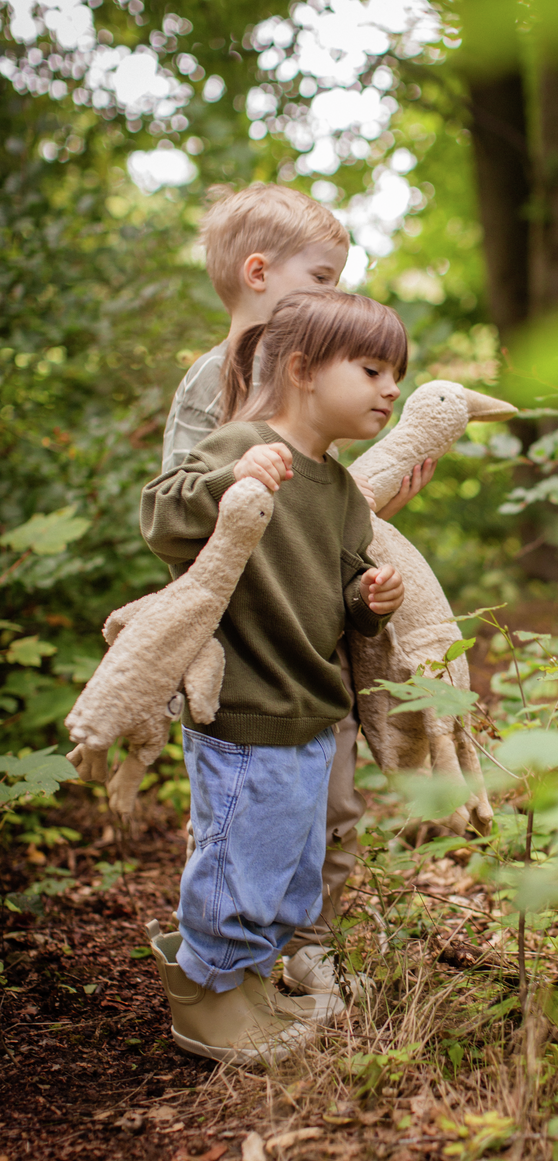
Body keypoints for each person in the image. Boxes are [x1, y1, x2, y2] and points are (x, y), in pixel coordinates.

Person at [161, 183, 434, 997]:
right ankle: (221, 964)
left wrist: (369, 544)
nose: (335, 294)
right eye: (322, 278)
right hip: (247, 645)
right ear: (258, 273)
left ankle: (307, 941)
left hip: (316, 641)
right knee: (247, 807)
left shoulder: (327, 390)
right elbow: (186, 511)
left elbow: (318, 516)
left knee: (328, 801)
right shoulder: (216, 382)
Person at [141, 287, 407, 1062]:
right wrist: (232, 479)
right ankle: (207, 999)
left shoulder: (341, 491)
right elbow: (160, 518)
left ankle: (250, 983)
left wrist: (369, 599)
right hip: (245, 702)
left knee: (287, 863)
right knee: (240, 862)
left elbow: (342, 594)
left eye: (396, 374)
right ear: (301, 369)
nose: (391, 389)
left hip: (310, 706)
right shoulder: (241, 444)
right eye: (372, 370)